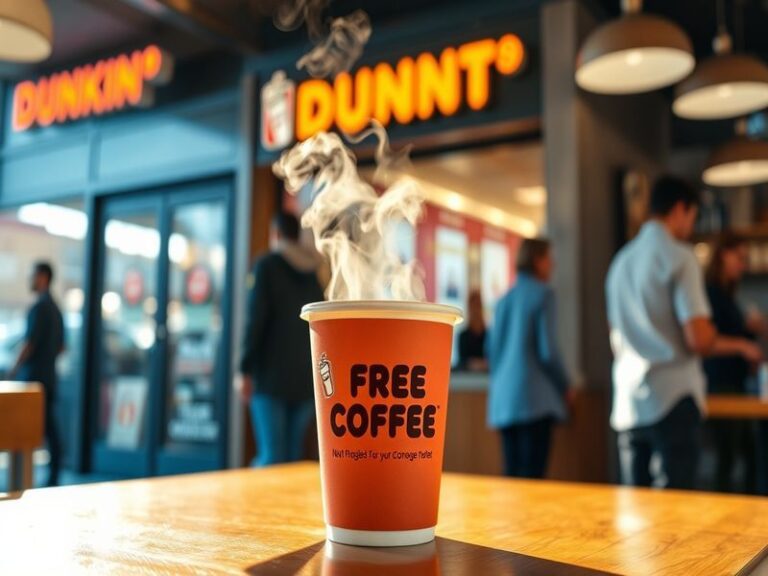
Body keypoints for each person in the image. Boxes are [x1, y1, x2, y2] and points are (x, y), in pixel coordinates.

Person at [606, 176, 762, 490]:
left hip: (627, 402)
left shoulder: (620, 263)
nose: (690, 226)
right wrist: (741, 345)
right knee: (673, 521)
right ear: (680, 210)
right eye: (692, 217)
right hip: (673, 399)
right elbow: (699, 339)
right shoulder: (680, 257)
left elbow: (616, 340)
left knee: (634, 513)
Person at [237, 212, 325, 466]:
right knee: (291, 458)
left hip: (270, 378)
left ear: (275, 234)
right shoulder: (313, 274)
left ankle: (254, 506)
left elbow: (256, 321)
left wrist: (244, 368)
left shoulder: (266, 266)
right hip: (305, 381)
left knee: (271, 455)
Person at [487, 238, 569, 479]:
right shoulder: (543, 294)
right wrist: (566, 386)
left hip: (504, 403)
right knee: (533, 481)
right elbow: (548, 352)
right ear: (537, 260)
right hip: (534, 401)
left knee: (511, 478)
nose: (552, 264)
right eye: (548, 258)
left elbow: (491, 352)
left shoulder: (503, 301)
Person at [704, 234, 765, 493]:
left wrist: (751, 333)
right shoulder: (711, 294)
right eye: (739, 258)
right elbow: (706, 341)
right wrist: (743, 345)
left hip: (735, 382)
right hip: (720, 384)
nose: (743, 265)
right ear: (722, 256)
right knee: (730, 457)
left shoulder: (728, 296)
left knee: (748, 456)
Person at [8, 261, 65, 487]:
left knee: (24, 430)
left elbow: (28, 343)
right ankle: (52, 475)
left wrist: (13, 371)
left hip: (33, 380)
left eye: (32, 275)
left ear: (42, 277)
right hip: (48, 378)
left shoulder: (39, 308)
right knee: (48, 427)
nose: (29, 280)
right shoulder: (56, 309)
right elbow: (61, 347)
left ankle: (25, 480)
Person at [458, 290, 488, 372]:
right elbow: (461, 363)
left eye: (478, 306)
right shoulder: (463, 336)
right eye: (473, 306)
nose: (475, 310)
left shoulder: (489, 335)